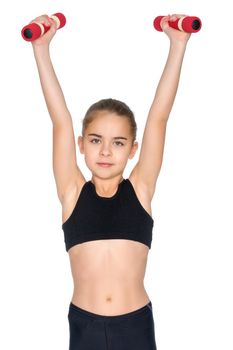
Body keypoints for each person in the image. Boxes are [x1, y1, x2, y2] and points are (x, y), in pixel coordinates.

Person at [29, 12, 191, 350]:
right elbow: (60, 120)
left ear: (133, 149)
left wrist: (178, 44)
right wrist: (40, 49)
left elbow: (158, 118)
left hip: (134, 326)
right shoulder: (73, 193)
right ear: (81, 145)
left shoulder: (140, 190)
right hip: (84, 326)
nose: (105, 151)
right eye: (95, 140)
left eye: (118, 143)